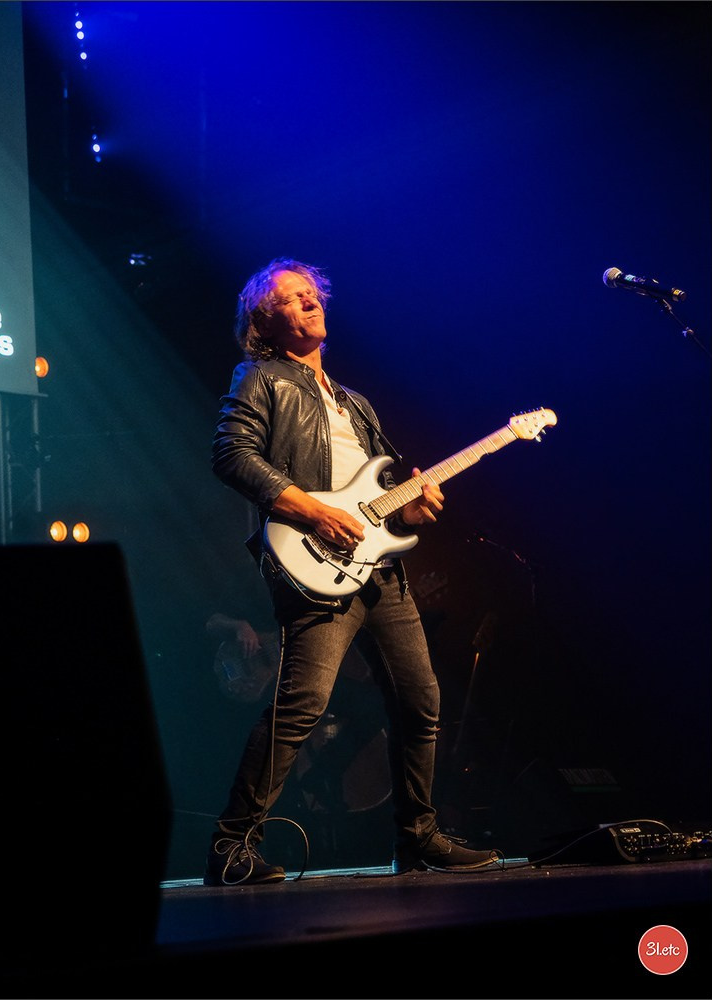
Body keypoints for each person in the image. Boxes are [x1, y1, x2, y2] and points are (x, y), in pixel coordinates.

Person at [204, 257, 503, 886]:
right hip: (311, 564)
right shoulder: (260, 379)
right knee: (302, 705)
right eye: (292, 297)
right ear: (265, 317)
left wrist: (415, 506)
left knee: (421, 700)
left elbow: (383, 489)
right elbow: (231, 456)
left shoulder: (355, 403)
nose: (310, 302)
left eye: (313, 293)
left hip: (378, 570)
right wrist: (310, 511)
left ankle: (417, 838)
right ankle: (231, 847)